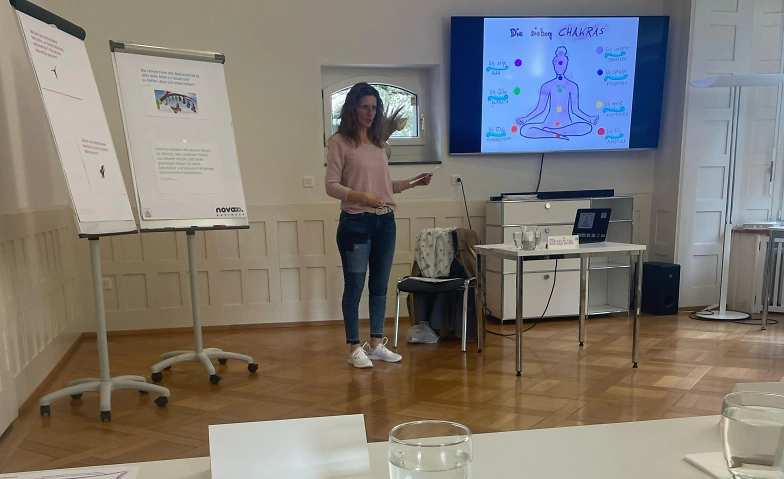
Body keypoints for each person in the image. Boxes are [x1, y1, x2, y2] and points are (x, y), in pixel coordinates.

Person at [325, 83, 432, 368]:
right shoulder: (339, 142)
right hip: (355, 223)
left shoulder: (379, 144)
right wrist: (362, 197)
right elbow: (331, 186)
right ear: (353, 108)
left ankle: (375, 344)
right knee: (354, 286)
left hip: (385, 222)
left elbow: (383, 186)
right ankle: (353, 347)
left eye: (374, 108)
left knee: (380, 286)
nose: (370, 113)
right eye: (365, 107)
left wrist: (413, 182)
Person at [515, 46, 598, 140]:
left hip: (566, 125)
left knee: (587, 127)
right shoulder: (547, 86)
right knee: (524, 130)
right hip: (548, 123)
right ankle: (555, 134)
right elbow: (540, 108)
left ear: (566, 64)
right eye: (557, 63)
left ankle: (554, 132)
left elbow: (575, 110)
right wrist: (526, 119)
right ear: (553, 64)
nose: (559, 66)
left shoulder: (572, 86)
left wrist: (589, 118)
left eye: (562, 63)